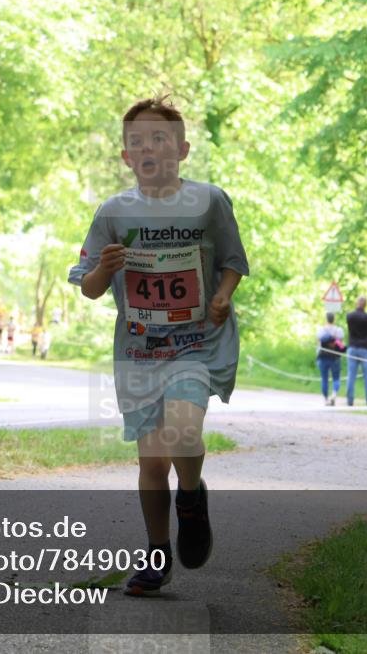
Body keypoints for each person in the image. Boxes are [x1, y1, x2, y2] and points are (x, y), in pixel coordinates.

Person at [68, 96, 248, 597]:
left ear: (182, 149)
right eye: (138, 141)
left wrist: (222, 295)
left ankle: (190, 499)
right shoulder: (113, 212)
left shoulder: (210, 201)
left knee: (184, 432)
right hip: (140, 351)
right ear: (126, 155)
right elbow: (89, 285)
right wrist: (104, 269)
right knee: (151, 462)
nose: (149, 148)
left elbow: (232, 261)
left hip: (196, 343)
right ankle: (156, 554)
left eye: (160, 138)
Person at [345, 296, 367, 406]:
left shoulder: (350, 316)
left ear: (356, 303)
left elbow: (350, 328)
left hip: (352, 347)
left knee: (351, 375)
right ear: (366, 305)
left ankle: (350, 400)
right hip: (365, 348)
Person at [316, 312, 345, 406]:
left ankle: (326, 399)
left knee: (324, 379)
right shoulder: (339, 330)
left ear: (326, 319)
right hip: (335, 357)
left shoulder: (321, 330)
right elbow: (341, 344)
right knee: (336, 378)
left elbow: (318, 343)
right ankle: (334, 394)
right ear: (334, 319)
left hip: (323, 357)